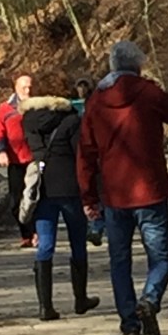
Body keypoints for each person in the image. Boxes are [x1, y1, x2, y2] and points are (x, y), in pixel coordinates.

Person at [77, 41, 168, 335]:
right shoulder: (148, 92)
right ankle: (149, 299)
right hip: (150, 190)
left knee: (119, 262)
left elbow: (85, 153)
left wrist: (88, 196)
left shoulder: (96, 102)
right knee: (160, 259)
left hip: (115, 195)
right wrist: (157, 89)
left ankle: (130, 327)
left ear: (112, 66)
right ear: (138, 65)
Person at [21, 78, 100, 322]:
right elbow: (81, 154)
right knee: (77, 241)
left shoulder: (28, 120)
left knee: (45, 244)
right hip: (69, 187)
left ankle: (45, 307)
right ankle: (80, 299)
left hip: (43, 188)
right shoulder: (71, 120)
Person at [0, 73, 35, 248]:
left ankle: (38, 233)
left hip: (36, 160)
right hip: (16, 161)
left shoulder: (38, 106)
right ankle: (26, 234)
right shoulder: (6, 109)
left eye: (30, 87)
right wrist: (1, 151)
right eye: (24, 87)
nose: (28, 91)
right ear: (15, 88)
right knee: (16, 201)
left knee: (36, 197)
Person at [70, 76, 105, 247]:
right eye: (79, 87)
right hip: (83, 149)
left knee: (99, 192)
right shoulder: (72, 107)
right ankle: (96, 226)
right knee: (91, 191)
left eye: (84, 87)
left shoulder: (96, 105)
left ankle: (97, 226)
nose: (81, 90)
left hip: (97, 153)